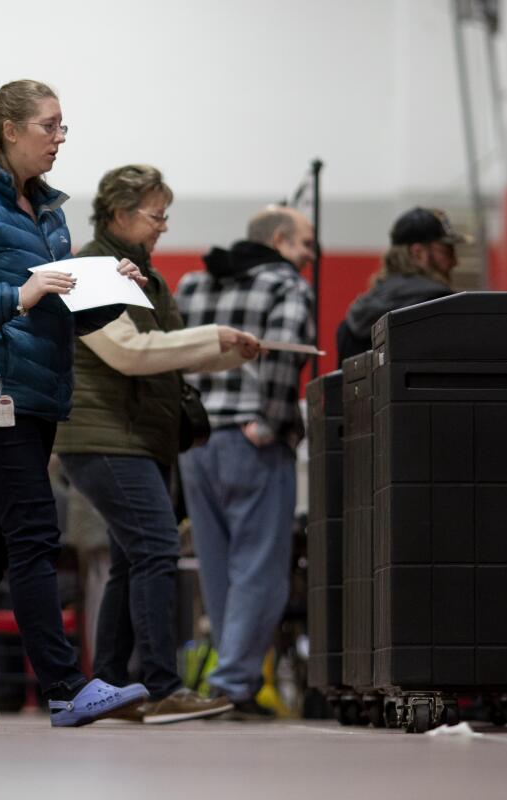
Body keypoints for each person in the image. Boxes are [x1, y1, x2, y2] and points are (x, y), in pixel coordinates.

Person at [0, 80, 150, 728]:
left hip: (31, 394)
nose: (60, 139)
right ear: (10, 130)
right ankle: (66, 687)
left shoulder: (47, 212)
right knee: (36, 531)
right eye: (50, 126)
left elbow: (58, 301)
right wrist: (17, 293)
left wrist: (111, 283)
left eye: (63, 127)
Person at [54, 164, 258, 724]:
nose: (164, 226)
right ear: (119, 214)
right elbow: (129, 353)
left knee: (129, 560)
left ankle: (114, 686)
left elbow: (161, 348)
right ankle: (163, 685)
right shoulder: (89, 270)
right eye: (156, 214)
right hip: (104, 437)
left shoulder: (148, 277)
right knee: (156, 548)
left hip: (137, 437)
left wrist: (226, 352)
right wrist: (213, 340)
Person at [175, 205, 315, 716]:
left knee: (216, 568)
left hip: (196, 443)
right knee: (260, 570)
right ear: (278, 240)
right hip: (251, 439)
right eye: (304, 244)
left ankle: (227, 674)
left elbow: (171, 350)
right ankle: (233, 684)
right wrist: (274, 423)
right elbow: (284, 355)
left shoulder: (193, 284)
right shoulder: (286, 286)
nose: (309, 256)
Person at [336, 207, 468, 363]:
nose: (454, 262)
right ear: (418, 253)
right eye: (446, 252)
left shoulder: (353, 320)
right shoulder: (444, 310)